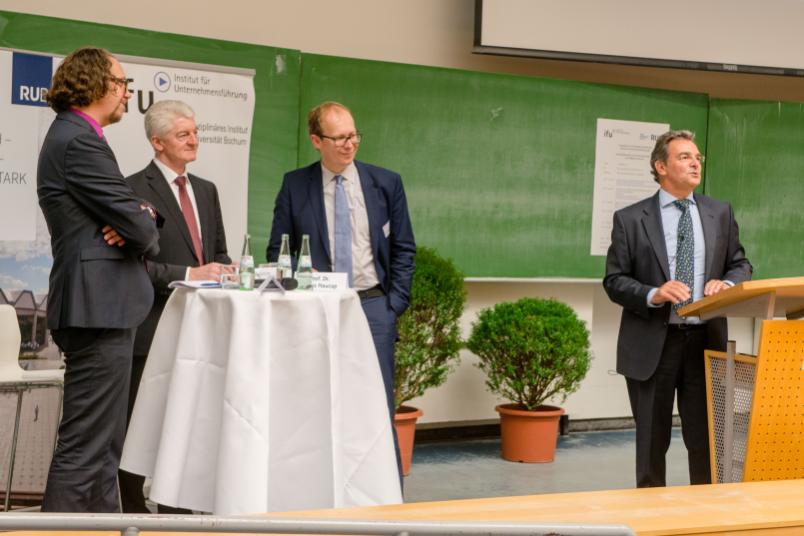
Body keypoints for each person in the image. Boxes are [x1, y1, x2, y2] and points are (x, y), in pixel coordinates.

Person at [37, 47, 160, 512]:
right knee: (86, 449)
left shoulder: (79, 137)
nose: (129, 93)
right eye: (123, 83)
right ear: (97, 84)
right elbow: (143, 230)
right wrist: (137, 221)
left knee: (105, 448)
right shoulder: (78, 140)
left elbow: (139, 218)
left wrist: (137, 217)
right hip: (97, 308)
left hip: (105, 306)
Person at [266, 101, 416, 475]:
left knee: (378, 404)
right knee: (315, 403)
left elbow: (403, 247)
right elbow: (275, 250)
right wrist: (301, 277)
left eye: (354, 136)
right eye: (339, 138)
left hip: (372, 306)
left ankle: (388, 496)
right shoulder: (295, 185)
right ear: (316, 141)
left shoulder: (386, 183)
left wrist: (393, 304)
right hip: (317, 307)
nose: (350, 145)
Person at [603, 129, 752, 488]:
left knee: (705, 442)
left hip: (706, 341)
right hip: (654, 341)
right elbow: (614, 280)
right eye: (685, 156)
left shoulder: (720, 212)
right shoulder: (630, 219)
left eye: (698, 157)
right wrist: (654, 292)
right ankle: (654, 518)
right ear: (661, 166)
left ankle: (704, 516)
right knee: (652, 445)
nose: (695, 162)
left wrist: (726, 284)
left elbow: (740, 264)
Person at [121, 99, 234, 513]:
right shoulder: (131, 189)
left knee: (187, 423)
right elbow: (132, 265)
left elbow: (216, 253)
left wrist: (225, 270)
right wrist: (190, 274)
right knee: (137, 425)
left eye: (195, 132)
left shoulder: (207, 190)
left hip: (200, 329)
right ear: (157, 142)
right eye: (183, 134)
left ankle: (177, 512)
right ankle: (132, 513)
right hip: (149, 325)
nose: (194, 140)